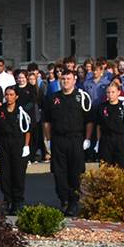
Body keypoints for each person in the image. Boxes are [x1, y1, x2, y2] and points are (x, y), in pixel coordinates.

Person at [44, 70, 92, 215]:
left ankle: (73, 201)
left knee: (75, 172)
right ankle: (63, 199)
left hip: (76, 139)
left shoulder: (81, 97)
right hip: (58, 139)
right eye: (63, 78)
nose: (65, 81)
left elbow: (89, 121)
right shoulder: (53, 98)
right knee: (59, 172)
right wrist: (48, 141)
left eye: (68, 78)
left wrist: (88, 139)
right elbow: (46, 122)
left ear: (74, 80)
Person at [0, 86, 32, 214]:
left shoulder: (22, 111)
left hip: (18, 142)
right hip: (4, 142)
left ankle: (18, 201)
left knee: (18, 173)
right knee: (5, 173)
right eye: (7, 94)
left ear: (16, 96)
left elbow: (27, 129)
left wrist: (26, 146)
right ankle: (7, 200)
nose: (8, 97)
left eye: (11, 94)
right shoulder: (0, 110)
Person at [95, 81, 124, 169]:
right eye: (108, 92)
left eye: (113, 92)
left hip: (121, 140)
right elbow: (98, 125)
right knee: (105, 169)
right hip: (106, 140)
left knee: (122, 169)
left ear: (118, 93)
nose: (110, 94)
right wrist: (98, 141)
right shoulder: (101, 107)